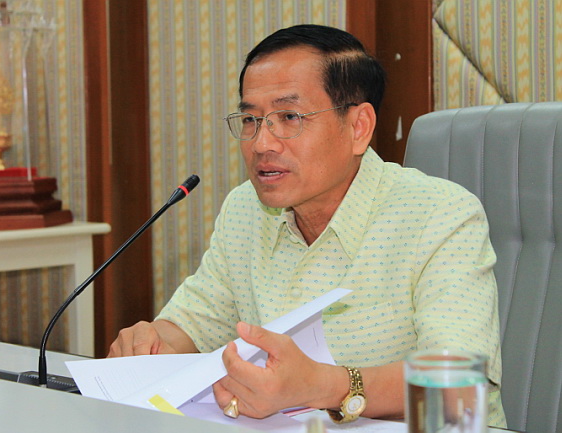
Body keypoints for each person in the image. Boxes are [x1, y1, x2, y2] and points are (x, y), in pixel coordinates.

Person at [108, 24, 506, 427]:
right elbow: (195, 323)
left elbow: (458, 389)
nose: (262, 143)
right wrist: (152, 342)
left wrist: (324, 386)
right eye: (250, 119)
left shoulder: (440, 214)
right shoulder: (245, 209)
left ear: (358, 127)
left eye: (289, 117)